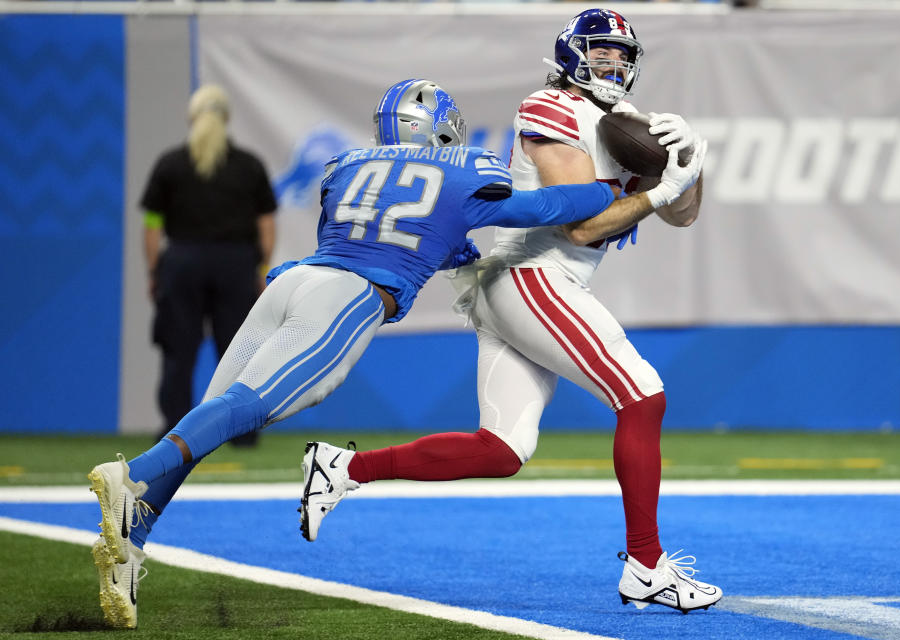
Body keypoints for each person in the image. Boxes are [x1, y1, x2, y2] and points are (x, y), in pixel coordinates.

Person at [86, 77, 696, 629]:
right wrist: (637, 186)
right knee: (252, 406)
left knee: (217, 412)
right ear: (437, 128)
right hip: (350, 298)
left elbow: (410, 233)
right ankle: (133, 476)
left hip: (293, 283)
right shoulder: (462, 172)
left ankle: (132, 537)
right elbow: (551, 208)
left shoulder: (345, 164)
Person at [300, 9, 719, 615]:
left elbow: (683, 214)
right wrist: (655, 189)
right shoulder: (553, 106)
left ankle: (344, 467)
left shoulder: (625, 123)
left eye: (625, 56)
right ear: (572, 53)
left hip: (527, 286)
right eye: (602, 52)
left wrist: (686, 167)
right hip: (534, 275)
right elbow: (579, 227)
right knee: (642, 395)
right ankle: (646, 566)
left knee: (502, 449)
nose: (615, 65)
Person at [142, 84, 277, 446]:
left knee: (178, 352)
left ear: (192, 117)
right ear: (227, 119)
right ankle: (242, 433)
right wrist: (261, 268)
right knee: (239, 350)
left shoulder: (170, 164)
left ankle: (174, 432)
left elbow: (153, 225)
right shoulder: (249, 165)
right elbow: (266, 225)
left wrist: (154, 270)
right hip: (235, 266)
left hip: (182, 263)